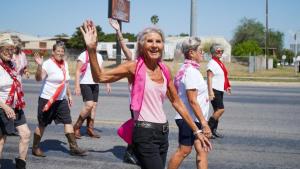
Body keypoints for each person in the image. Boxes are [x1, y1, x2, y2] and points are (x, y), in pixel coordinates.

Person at [80, 20, 212, 169]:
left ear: (163, 45)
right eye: (150, 41)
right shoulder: (133, 67)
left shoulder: (165, 70)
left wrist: (197, 130)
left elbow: (177, 102)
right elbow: (100, 77)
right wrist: (91, 49)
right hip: (144, 133)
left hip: (163, 134)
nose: (154, 45)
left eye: (158, 41)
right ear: (142, 46)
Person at [32, 41, 86, 157]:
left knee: (68, 121)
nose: (60, 53)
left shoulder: (64, 64)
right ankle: (35, 148)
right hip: (47, 100)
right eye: (58, 51)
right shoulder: (47, 64)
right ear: (53, 52)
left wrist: (69, 95)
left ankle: (73, 147)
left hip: (61, 100)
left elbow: (65, 82)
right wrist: (39, 65)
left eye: (62, 51)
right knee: (42, 124)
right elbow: (38, 78)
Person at [168, 37, 212, 169]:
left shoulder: (190, 69)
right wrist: (204, 123)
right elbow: (192, 100)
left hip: (196, 118)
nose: (202, 53)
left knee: (202, 150)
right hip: (189, 119)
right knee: (184, 151)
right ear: (191, 53)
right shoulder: (191, 72)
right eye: (201, 50)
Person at [109, 18, 138, 165]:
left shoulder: (150, 64)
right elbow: (124, 47)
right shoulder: (134, 62)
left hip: (146, 104)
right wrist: (118, 31)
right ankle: (129, 153)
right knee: (137, 129)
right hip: (135, 104)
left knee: (140, 129)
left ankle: (133, 152)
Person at [0, 33, 31, 169]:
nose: (10, 53)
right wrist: (5, 107)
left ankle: (21, 165)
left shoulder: (12, 64)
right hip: (2, 107)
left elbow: (19, 77)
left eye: (11, 50)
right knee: (1, 139)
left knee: (25, 134)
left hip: (16, 106)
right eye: (6, 50)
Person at [73, 50, 111, 139]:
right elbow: (78, 71)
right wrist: (77, 86)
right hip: (85, 83)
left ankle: (90, 129)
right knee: (89, 105)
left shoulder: (99, 56)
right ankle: (76, 127)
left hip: (95, 83)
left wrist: (107, 83)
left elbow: (102, 71)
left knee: (93, 106)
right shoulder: (83, 55)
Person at [207, 43, 231, 139]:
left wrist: (227, 86)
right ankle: (207, 129)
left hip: (219, 89)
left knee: (217, 110)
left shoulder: (219, 63)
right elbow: (209, 77)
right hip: (214, 89)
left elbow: (223, 76)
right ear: (213, 52)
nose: (220, 52)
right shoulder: (212, 63)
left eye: (222, 51)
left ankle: (213, 131)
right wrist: (210, 92)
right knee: (220, 109)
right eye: (218, 51)